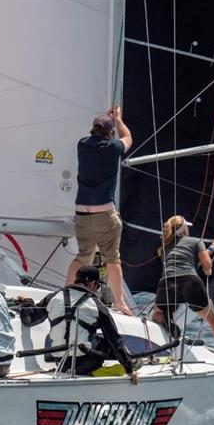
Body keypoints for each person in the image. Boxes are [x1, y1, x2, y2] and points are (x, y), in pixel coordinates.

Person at [66, 106, 134, 316]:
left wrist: (106, 119)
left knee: (83, 255)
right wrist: (118, 119)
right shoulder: (113, 148)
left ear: (92, 130)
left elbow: (97, 134)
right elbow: (128, 137)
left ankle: (66, 293)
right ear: (109, 132)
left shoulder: (82, 145)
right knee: (112, 259)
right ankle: (120, 302)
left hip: (82, 214)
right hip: (104, 213)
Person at [152, 215, 214, 368]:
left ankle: (168, 324)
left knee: (157, 314)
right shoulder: (195, 241)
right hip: (190, 282)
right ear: (183, 229)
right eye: (187, 227)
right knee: (212, 319)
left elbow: (184, 259)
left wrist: (210, 250)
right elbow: (206, 267)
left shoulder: (164, 246)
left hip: (167, 283)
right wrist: (209, 268)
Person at [23, 266, 138, 383]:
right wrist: (129, 369)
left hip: (61, 363)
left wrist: (27, 303)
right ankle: (124, 364)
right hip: (88, 363)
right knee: (106, 341)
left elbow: (29, 319)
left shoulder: (52, 298)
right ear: (92, 284)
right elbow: (114, 339)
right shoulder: (96, 305)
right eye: (97, 286)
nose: (96, 290)